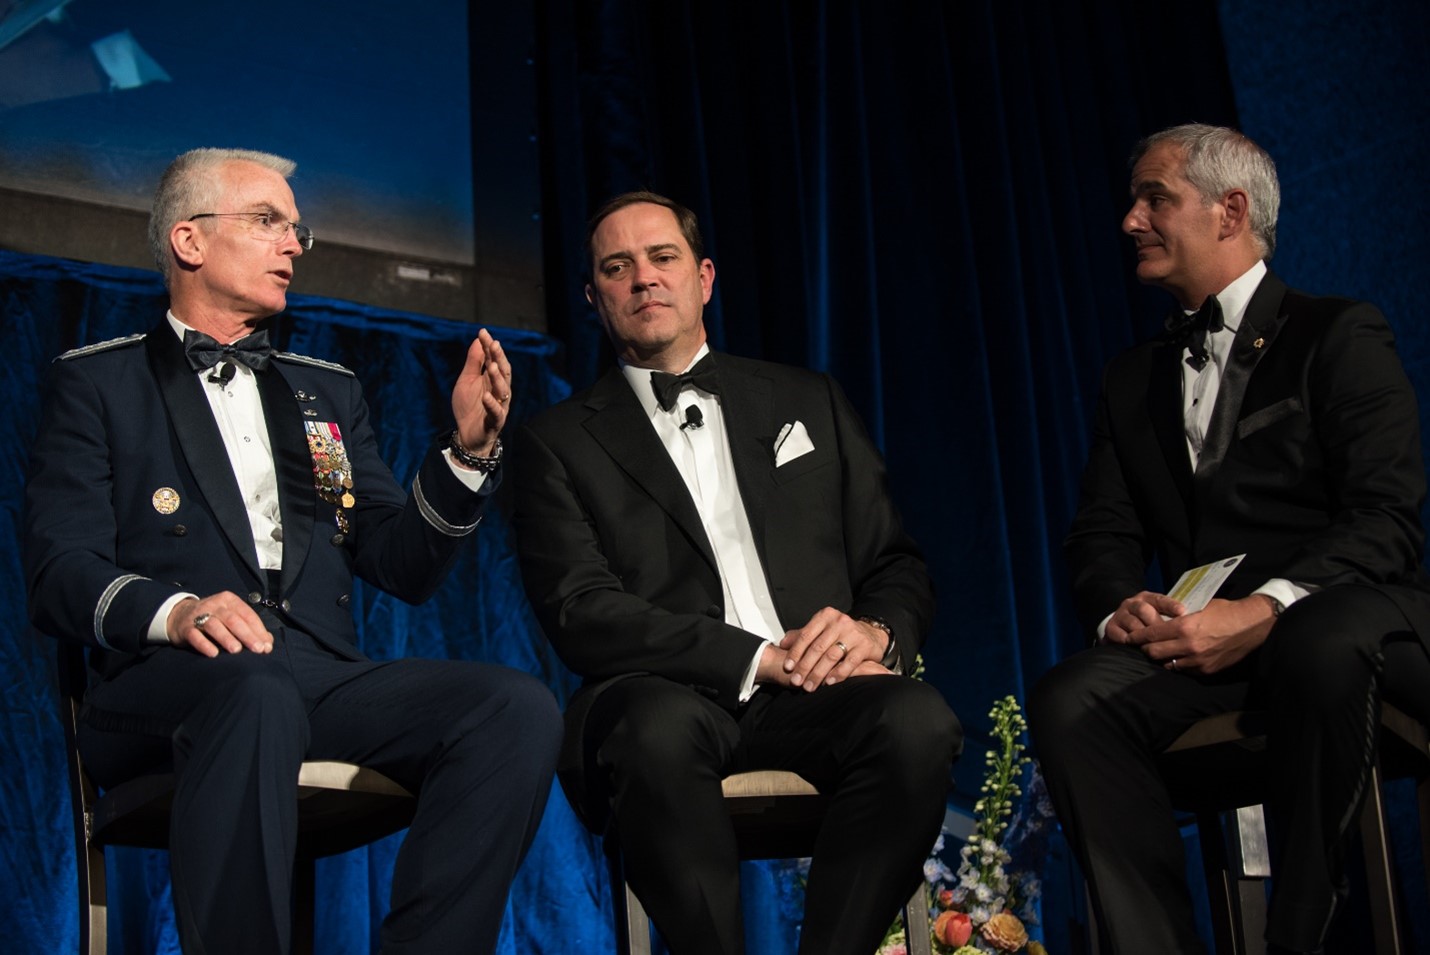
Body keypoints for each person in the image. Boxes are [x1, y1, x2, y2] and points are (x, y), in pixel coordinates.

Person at [24, 147, 562, 954]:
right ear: (189, 242)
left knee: (512, 706)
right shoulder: (100, 385)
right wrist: (178, 611)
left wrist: (466, 453)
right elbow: (59, 573)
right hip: (168, 684)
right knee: (254, 688)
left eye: (297, 227)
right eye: (268, 222)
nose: (295, 244)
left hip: (318, 677)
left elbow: (397, 560)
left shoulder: (324, 392)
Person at [513, 190, 961, 955]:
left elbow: (894, 562)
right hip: (668, 692)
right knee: (654, 732)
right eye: (617, 268)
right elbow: (582, 610)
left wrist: (874, 632)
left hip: (819, 691)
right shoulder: (555, 441)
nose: (643, 280)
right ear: (594, 298)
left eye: (662, 258)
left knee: (917, 721)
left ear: (704, 277)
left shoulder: (806, 398)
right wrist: (753, 657)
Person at [1028, 124, 1430, 953]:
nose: (1130, 220)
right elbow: (1102, 531)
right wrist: (1120, 610)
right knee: (1072, 698)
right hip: (1204, 646)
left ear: (1229, 211)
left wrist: (1267, 607)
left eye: (1155, 199)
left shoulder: (1338, 333)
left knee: (1320, 639)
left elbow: (1386, 519)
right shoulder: (1131, 377)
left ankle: (1301, 934)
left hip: (1347, 622)